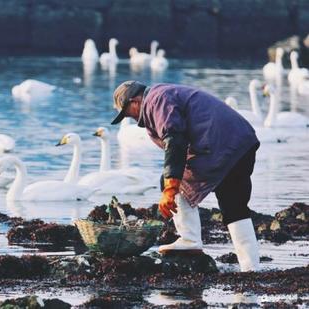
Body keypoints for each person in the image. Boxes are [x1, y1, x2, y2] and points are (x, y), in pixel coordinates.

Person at [110, 81, 260, 272]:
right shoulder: (163, 93)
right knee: (234, 206)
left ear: (135, 101)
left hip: (220, 144)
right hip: (241, 141)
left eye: (126, 112)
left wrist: (170, 188)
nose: (130, 117)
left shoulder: (157, 100)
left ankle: (190, 239)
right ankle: (251, 269)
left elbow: (175, 141)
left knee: (169, 181)